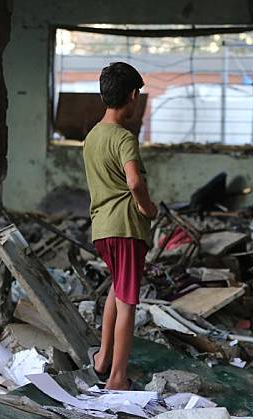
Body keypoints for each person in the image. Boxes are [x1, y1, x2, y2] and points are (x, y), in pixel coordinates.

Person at [83, 62, 158, 390]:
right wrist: (147, 208)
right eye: (137, 95)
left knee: (117, 288)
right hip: (126, 228)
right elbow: (134, 181)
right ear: (132, 95)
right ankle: (116, 378)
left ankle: (102, 359)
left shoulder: (92, 137)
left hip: (102, 230)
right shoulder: (123, 137)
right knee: (129, 301)